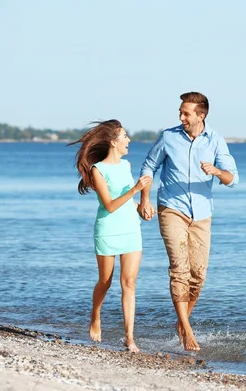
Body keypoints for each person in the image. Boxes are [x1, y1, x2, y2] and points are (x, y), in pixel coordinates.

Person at [138, 91, 239, 351]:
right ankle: (186, 327)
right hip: (171, 209)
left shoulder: (215, 141)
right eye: (180, 112)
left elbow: (233, 178)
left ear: (200, 115)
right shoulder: (168, 137)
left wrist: (217, 171)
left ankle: (181, 322)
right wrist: (145, 200)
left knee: (198, 275)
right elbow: (149, 166)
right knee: (179, 269)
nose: (181, 116)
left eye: (186, 113)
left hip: (202, 214)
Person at [69, 120, 151, 352]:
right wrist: (135, 190)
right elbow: (110, 205)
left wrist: (140, 208)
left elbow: (125, 202)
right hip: (107, 229)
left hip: (131, 229)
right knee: (105, 282)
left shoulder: (126, 165)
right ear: (113, 142)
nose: (129, 140)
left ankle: (129, 337)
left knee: (129, 282)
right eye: (125, 136)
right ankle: (95, 314)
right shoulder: (98, 170)